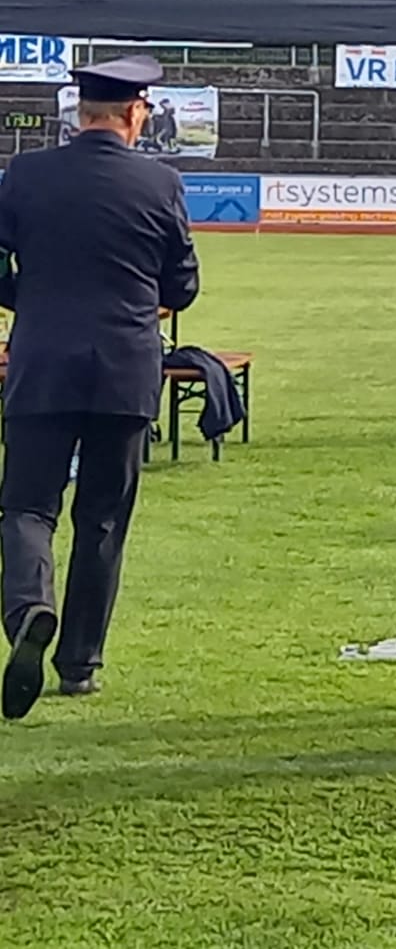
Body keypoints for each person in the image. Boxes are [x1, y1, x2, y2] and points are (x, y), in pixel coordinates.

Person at [0, 57, 200, 721]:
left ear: (79, 113)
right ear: (136, 112)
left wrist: (25, 297)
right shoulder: (160, 182)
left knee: (27, 506)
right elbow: (182, 285)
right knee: (104, 518)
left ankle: (30, 608)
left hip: (42, 361)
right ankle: (80, 662)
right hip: (124, 367)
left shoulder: (26, 174)